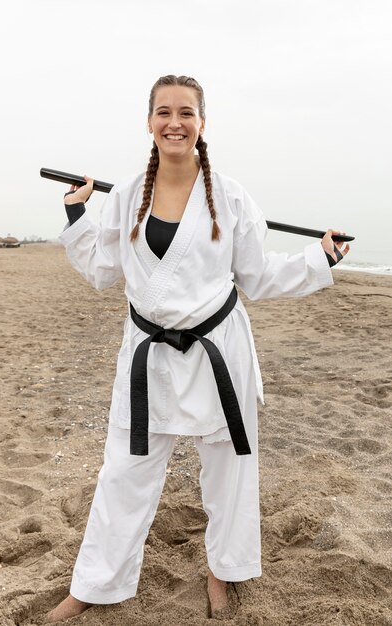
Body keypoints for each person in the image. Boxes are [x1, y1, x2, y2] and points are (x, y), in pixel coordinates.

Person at [47, 74, 350, 623]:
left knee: (230, 467)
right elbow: (102, 271)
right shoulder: (127, 193)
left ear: (202, 123)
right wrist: (77, 213)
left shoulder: (230, 196)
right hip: (149, 356)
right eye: (164, 112)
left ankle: (224, 570)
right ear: (149, 123)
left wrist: (318, 259)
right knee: (125, 470)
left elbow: (257, 276)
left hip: (218, 352)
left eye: (186, 112)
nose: (174, 122)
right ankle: (96, 582)